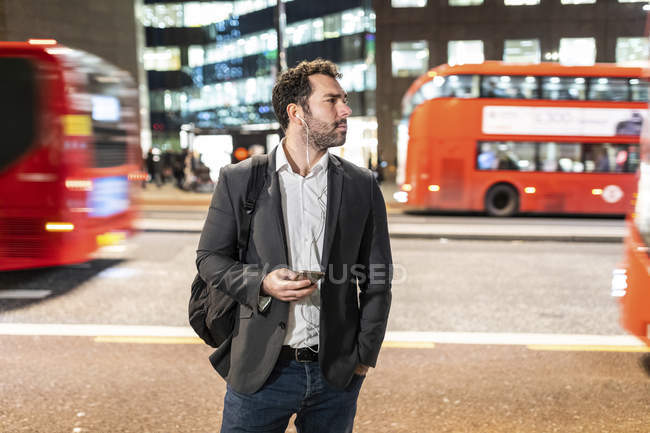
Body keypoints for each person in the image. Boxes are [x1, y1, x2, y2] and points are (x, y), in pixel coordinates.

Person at [196, 58, 393, 433]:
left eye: (344, 100)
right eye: (331, 100)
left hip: (335, 375)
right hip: (260, 370)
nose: (345, 110)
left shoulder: (360, 184)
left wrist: (364, 357)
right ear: (296, 112)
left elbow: (378, 276)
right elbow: (209, 259)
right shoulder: (241, 180)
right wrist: (262, 283)